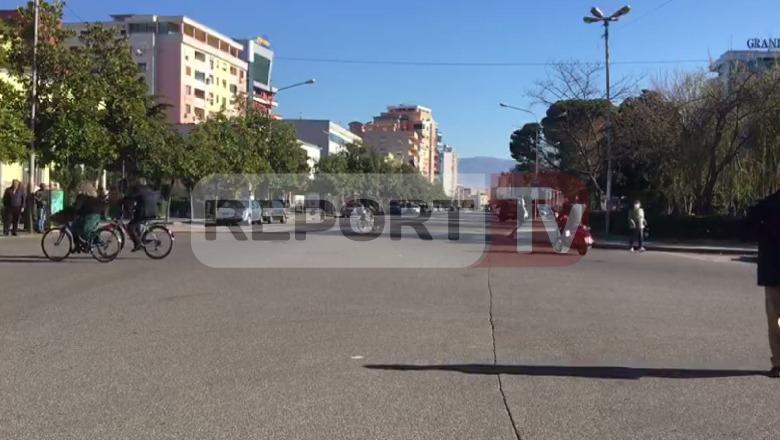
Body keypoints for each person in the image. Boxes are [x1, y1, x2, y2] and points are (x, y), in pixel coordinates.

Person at [747, 175, 780, 378]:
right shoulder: (767, 205)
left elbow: (748, 230)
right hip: (773, 270)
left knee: (775, 318)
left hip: (773, 270)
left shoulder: (766, 205)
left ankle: (778, 362)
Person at [123, 178, 159, 251]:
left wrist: (122, 200)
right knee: (137, 225)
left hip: (144, 213)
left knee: (130, 227)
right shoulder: (148, 189)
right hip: (151, 211)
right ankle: (139, 241)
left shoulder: (139, 190)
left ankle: (138, 243)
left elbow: (131, 197)